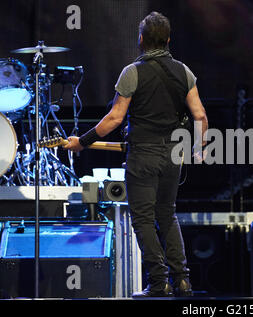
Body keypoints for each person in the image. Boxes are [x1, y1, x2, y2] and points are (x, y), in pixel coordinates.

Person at [64, 11, 208, 297]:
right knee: (167, 215)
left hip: (142, 155)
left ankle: (159, 282)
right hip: (172, 156)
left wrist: (82, 141)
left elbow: (114, 119)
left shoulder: (132, 72)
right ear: (168, 40)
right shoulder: (184, 71)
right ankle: (182, 281)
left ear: (141, 40)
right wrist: (198, 148)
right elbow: (200, 114)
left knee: (142, 219)